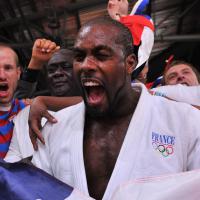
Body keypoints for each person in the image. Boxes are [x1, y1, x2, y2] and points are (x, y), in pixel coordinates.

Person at [32, 17, 200, 200]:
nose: (86, 65)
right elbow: (37, 193)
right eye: (79, 57)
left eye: (101, 55)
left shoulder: (185, 121)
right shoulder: (53, 128)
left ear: (129, 64)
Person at [0, 39, 59, 159]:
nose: (1, 75)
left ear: (18, 73)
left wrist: (37, 61)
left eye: (8, 68)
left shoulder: (29, 110)